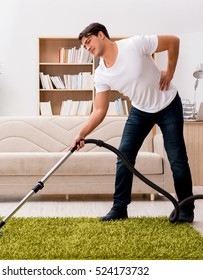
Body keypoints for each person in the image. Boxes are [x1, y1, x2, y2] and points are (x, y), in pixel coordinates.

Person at [71, 22, 194, 223]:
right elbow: (99, 110)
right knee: (124, 156)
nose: (87, 48)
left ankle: (187, 209)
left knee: (177, 159)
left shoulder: (134, 45)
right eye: (84, 46)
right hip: (140, 111)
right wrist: (82, 133)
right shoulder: (101, 74)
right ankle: (119, 208)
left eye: (88, 41)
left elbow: (173, 41)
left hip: (168, 105)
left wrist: (170, 71)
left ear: (101, 35)